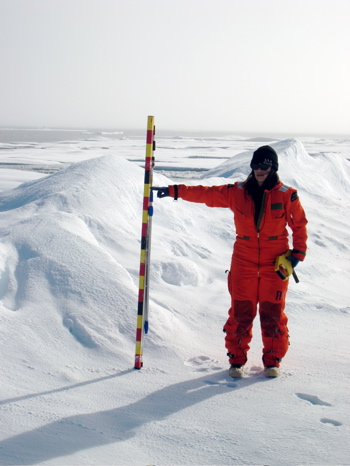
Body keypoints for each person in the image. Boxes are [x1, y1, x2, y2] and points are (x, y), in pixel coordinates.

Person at [153, 145, 308, 378]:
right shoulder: (238, 191)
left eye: (264, 165)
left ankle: (272, 361)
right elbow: (206, 193)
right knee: (240, 313)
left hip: (274, 265)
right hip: (243, 263)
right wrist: (175, 190)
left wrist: (297, 254)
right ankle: (236, 360)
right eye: (255, 165)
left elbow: (299, 225)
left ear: (273, 167)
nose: (259, 170)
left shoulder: (287, 194)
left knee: (272, 313)